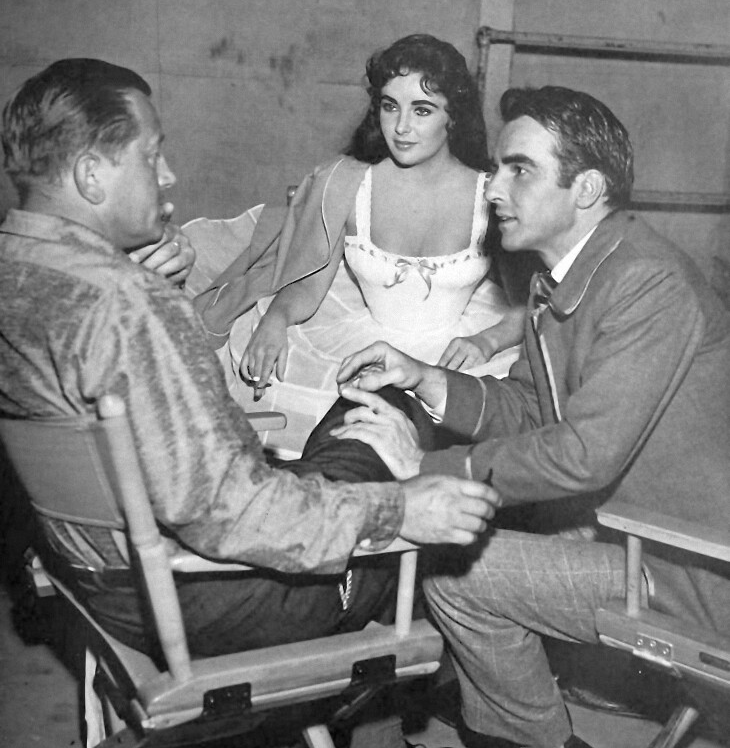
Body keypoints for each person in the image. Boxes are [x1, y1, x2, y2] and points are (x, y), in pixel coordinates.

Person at [0, 58, 503, 748]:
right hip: (206, 591)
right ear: (89, 175)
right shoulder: (128, 304)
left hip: (91, 570)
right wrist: (402, 507)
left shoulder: (19, 267)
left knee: (360, 414)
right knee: (393, 423)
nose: (168, 175)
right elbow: (228, 514)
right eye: (152, 154)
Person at [329, 85, 730, 748]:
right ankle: (485, 701)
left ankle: (541, 745)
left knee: (454, 572)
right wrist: (426, 378)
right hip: (627, 524)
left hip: (689, 565)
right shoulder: (571, 276)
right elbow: (529, 407)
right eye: (498, 168)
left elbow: (582, 455)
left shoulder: (647, 282)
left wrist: (426, 466)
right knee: (444, 533)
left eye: (520, 170)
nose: (494, 188)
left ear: (588, 189)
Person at [193, 34, 524, 457]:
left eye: (422, 110)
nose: (401, 127)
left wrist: (487, 342)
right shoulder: (347, 183)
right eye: (390, 106)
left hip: (454, 355)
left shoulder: (493, 193)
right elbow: (308, 283)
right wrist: (276, 318)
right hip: (355, 343)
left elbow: (533, 302)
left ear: (453, 117)